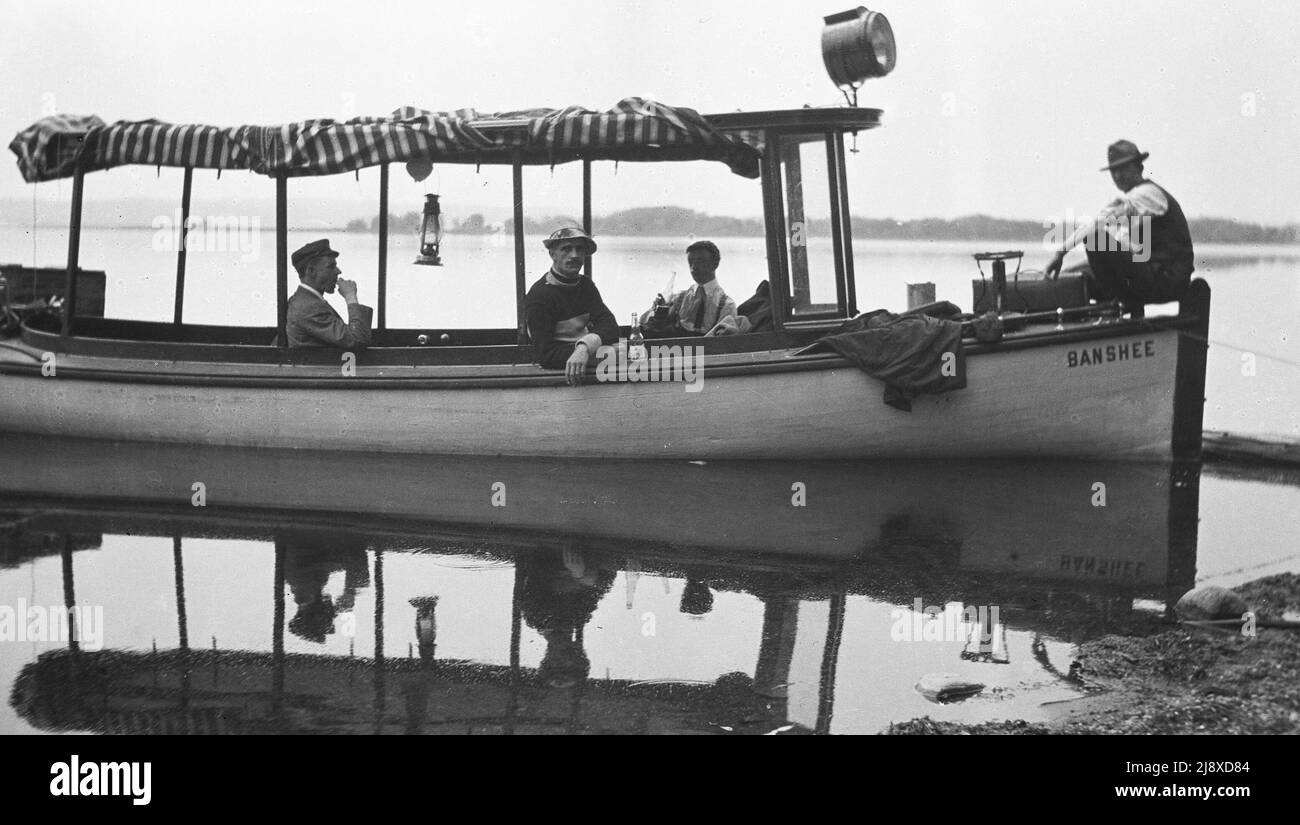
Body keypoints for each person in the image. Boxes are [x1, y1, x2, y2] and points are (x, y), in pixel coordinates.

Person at [1044, 140, 1194, 315]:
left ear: (1139, 167)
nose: (1118, 176)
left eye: (1123, 169)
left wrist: (1060, 252)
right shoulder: (1133, 206)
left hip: (1169, 279)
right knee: (1079, 275)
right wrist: (1069, 272)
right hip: (1159, 275)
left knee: (1095, 238)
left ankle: (1117, 304)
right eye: (1114, 171)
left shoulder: (1146, 194)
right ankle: (1116, 307)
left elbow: (1097, 224)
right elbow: (1121, 248)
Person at [524, 226, 619, 385]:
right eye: (566, 249)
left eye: (579, 249)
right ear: (552, 254)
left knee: (623, 350)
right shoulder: (539, 296)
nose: (574, 255)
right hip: (561, 373)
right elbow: (545, 355)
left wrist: (584, 348)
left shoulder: (586, 285)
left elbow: (611, 326)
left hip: (582, 356)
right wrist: (584, 350)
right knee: (617, 351)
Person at [285, 239, 374, 348]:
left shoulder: (302, 300)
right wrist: (351, 297)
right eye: (331, 266)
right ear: (311, 271)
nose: (338, 271)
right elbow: (358, 340)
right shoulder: (309, 307)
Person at [640, 240, 737, 337]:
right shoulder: (679, 298)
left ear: (715, 264)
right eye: (690, 262)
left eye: (700, 261)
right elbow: (644, 323)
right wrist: (655, 311)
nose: (693, 267)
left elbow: (723, 342)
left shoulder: (727, 305)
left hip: (706, 351)